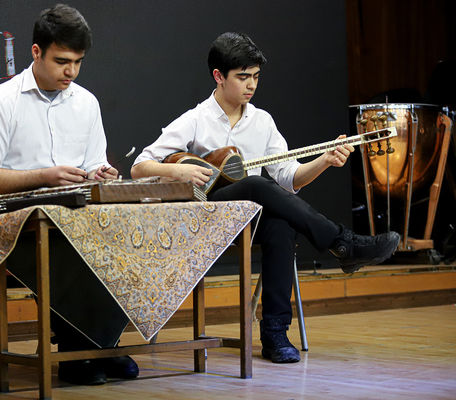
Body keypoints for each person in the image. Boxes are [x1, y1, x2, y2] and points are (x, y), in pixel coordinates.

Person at [131, 32, 400, 364]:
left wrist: (324, 160)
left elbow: (288, 177)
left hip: (248, 221)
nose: (251, 85)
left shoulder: (262, 122)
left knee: (281, 224)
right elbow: (139, 166)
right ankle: (342, 242)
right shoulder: (195, 119)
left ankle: (275, 333)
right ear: (219, 76)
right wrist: (178, 172)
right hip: (205, 223)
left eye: (256, 77)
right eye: (243, 77)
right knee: (256, 187)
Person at [0, 4, 138, 385]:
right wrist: (43, 177)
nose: (71, 72)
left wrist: (101, 173)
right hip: (8, 221)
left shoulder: (87, 103)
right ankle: (84, 351)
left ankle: (99, 342)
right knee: (67, 236)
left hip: (72, 212)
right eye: (62, 61)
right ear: (35, 52)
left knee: (125, 233)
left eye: (78, 62)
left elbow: (93, 164)